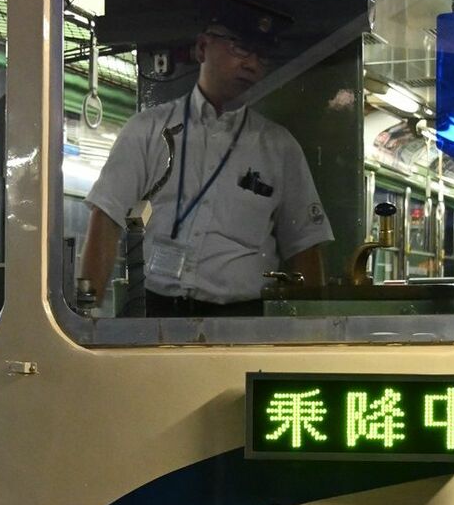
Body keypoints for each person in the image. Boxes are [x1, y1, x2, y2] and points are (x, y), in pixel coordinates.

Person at [77, 16, 332, 316]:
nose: (252, 64)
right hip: (154, 311)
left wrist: (314, 327)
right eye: (241, 48)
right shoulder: (146, 130)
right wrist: (85, 314)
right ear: (202, 48)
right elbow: (106, 219)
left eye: (261, 56)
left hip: (244, 319)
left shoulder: (279, 147)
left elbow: (305, 245)